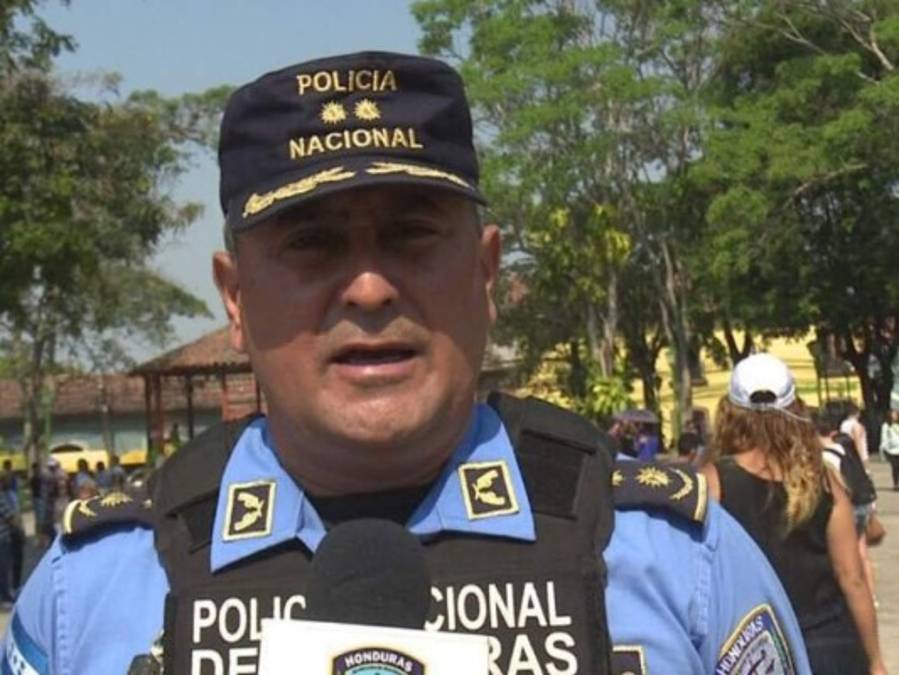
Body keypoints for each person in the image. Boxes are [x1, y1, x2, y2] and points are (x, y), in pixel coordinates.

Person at [3, 52, 812, 675]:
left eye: (411, 234)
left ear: (485, 273)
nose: (368, 287)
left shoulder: (677, 563)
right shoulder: (92, 589)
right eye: (311, 243)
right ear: (236, 298)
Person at [702, 353, 886, 675]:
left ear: (728, 411)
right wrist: (875, 661)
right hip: (830, 643)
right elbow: (852, 578)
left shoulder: (714, 482)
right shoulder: (821, 480)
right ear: (796, 408)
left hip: (754, 647)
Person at [879, 409, 899, 489]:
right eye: (893, 414)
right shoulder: (886, 426)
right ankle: (896, 484)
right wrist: (884, 448)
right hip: (892, 451)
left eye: (896, 414)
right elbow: (884, 437)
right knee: (895, 467)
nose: (895, 416)